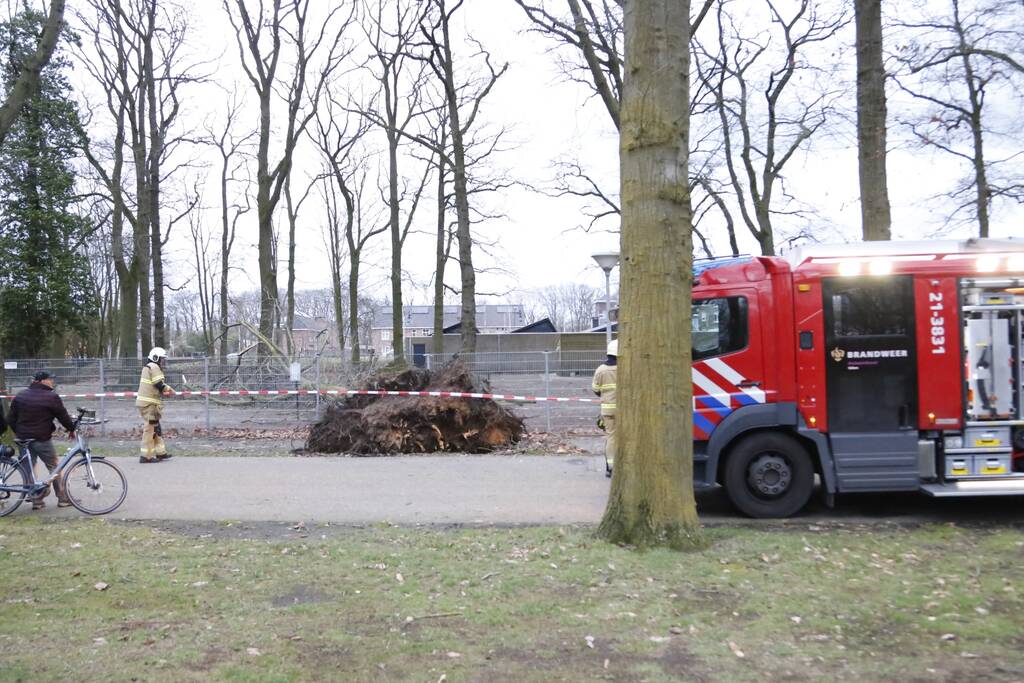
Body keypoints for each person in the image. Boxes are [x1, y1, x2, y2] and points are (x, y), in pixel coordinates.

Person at [7, 371, 75, 509]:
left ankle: (36, 501)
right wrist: (71, 428)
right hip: (42, 438)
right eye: (50, 379)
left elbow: (10, 419)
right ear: (42, 381)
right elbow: (62, 416)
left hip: (23, 439)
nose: (52, 382)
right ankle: (62, 498)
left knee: (28, 468)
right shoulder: (51, 397)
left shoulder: (20, 395)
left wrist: (20, 432)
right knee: (55, 466)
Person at [136, 347, 173, 464]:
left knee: (156, 428)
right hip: (149, 404)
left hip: (148, 403)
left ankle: (161, 453)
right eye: (162, 359)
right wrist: (169, 390)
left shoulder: (148, 367)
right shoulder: (154, 366)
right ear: (155, 358)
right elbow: (158, 384)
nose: (163, 361)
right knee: (150, 429)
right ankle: (146, 456)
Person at [591, 340, 618, 478]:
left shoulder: (601, 369)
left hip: (608, 410)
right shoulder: (625, 368)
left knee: (611, 437)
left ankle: (610, 467)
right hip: (624, 409)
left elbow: (595, 389)